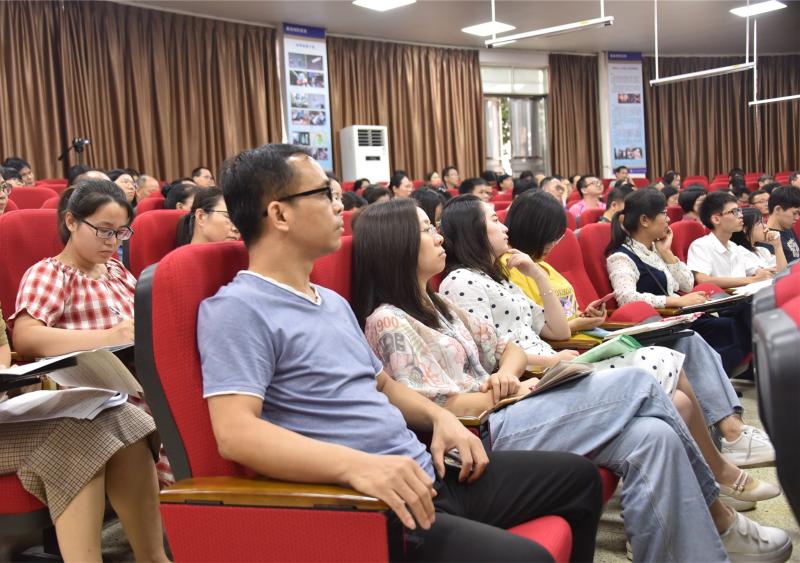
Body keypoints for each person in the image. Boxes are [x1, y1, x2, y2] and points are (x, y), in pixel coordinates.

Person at [199, 143, 605, 562]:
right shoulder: (238, 308)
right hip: (375, 502)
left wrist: (440, 417)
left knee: (579, 479)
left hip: (427, 470)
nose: (338, 206)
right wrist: (358, 466)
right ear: (279, 214)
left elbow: (384, 385)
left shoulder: (330, 301)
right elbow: (236, 434)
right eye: (323, 194)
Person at [404, 195, 790, 561]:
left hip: (538, 377)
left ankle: (700, 528)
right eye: (493, 219)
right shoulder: (444, 292)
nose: (440, 236)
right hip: (508, 407)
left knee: (657, 429)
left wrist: (534, 278)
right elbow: (441, 401)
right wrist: (516, 378)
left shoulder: (458, 294)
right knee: (649, 378)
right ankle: (719, 492)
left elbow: (524, 342)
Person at [6, 180, 169, 562]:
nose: (112, 242)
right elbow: (26, 337)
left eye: (121, 233)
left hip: (130, 386)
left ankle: (156, 551)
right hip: (84, 390)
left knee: (140, 418)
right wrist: (109, 336)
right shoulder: (51, 273)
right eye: (103, 231)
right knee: (128, 419)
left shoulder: (117, 272)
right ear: (71, 222)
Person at [605, 189, 756, 378]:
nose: (668, 219)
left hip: (682, 318)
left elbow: (687, 284)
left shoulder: (656, 250)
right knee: (734, 330)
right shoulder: (621, 257)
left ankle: (723, 376)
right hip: (662, 327)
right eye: (664, 213)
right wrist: (677, 301)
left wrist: (667, 253)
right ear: (644, 220)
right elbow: (627, 298)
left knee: (746, 314)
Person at [687, 192, 775, 289]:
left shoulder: (733, 246)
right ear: (716, 219)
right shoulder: (700, 246)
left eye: (740, 211)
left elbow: (754, 269)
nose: (741, 215)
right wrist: (753, 280)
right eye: (734, 211)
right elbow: (703, 280)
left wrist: (761, 273)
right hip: (723, 298)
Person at [175, 187, 240, 246]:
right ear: (201, 216)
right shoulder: (181, 255)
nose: (236, 229)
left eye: (241, 221)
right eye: (229, 217)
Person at [730, 207, 787, 273]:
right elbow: (775, 273)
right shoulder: (739, 252)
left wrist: (777, 245)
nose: (765, 226)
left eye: (764, 222)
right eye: (760, 223)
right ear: (745, 229)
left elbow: (784, 271)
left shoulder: (763, 250)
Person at [765, 186, 800, 262]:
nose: (797, 218)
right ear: (778, 209)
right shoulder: (767, 238)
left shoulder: (788, 227)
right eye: (794, 213)